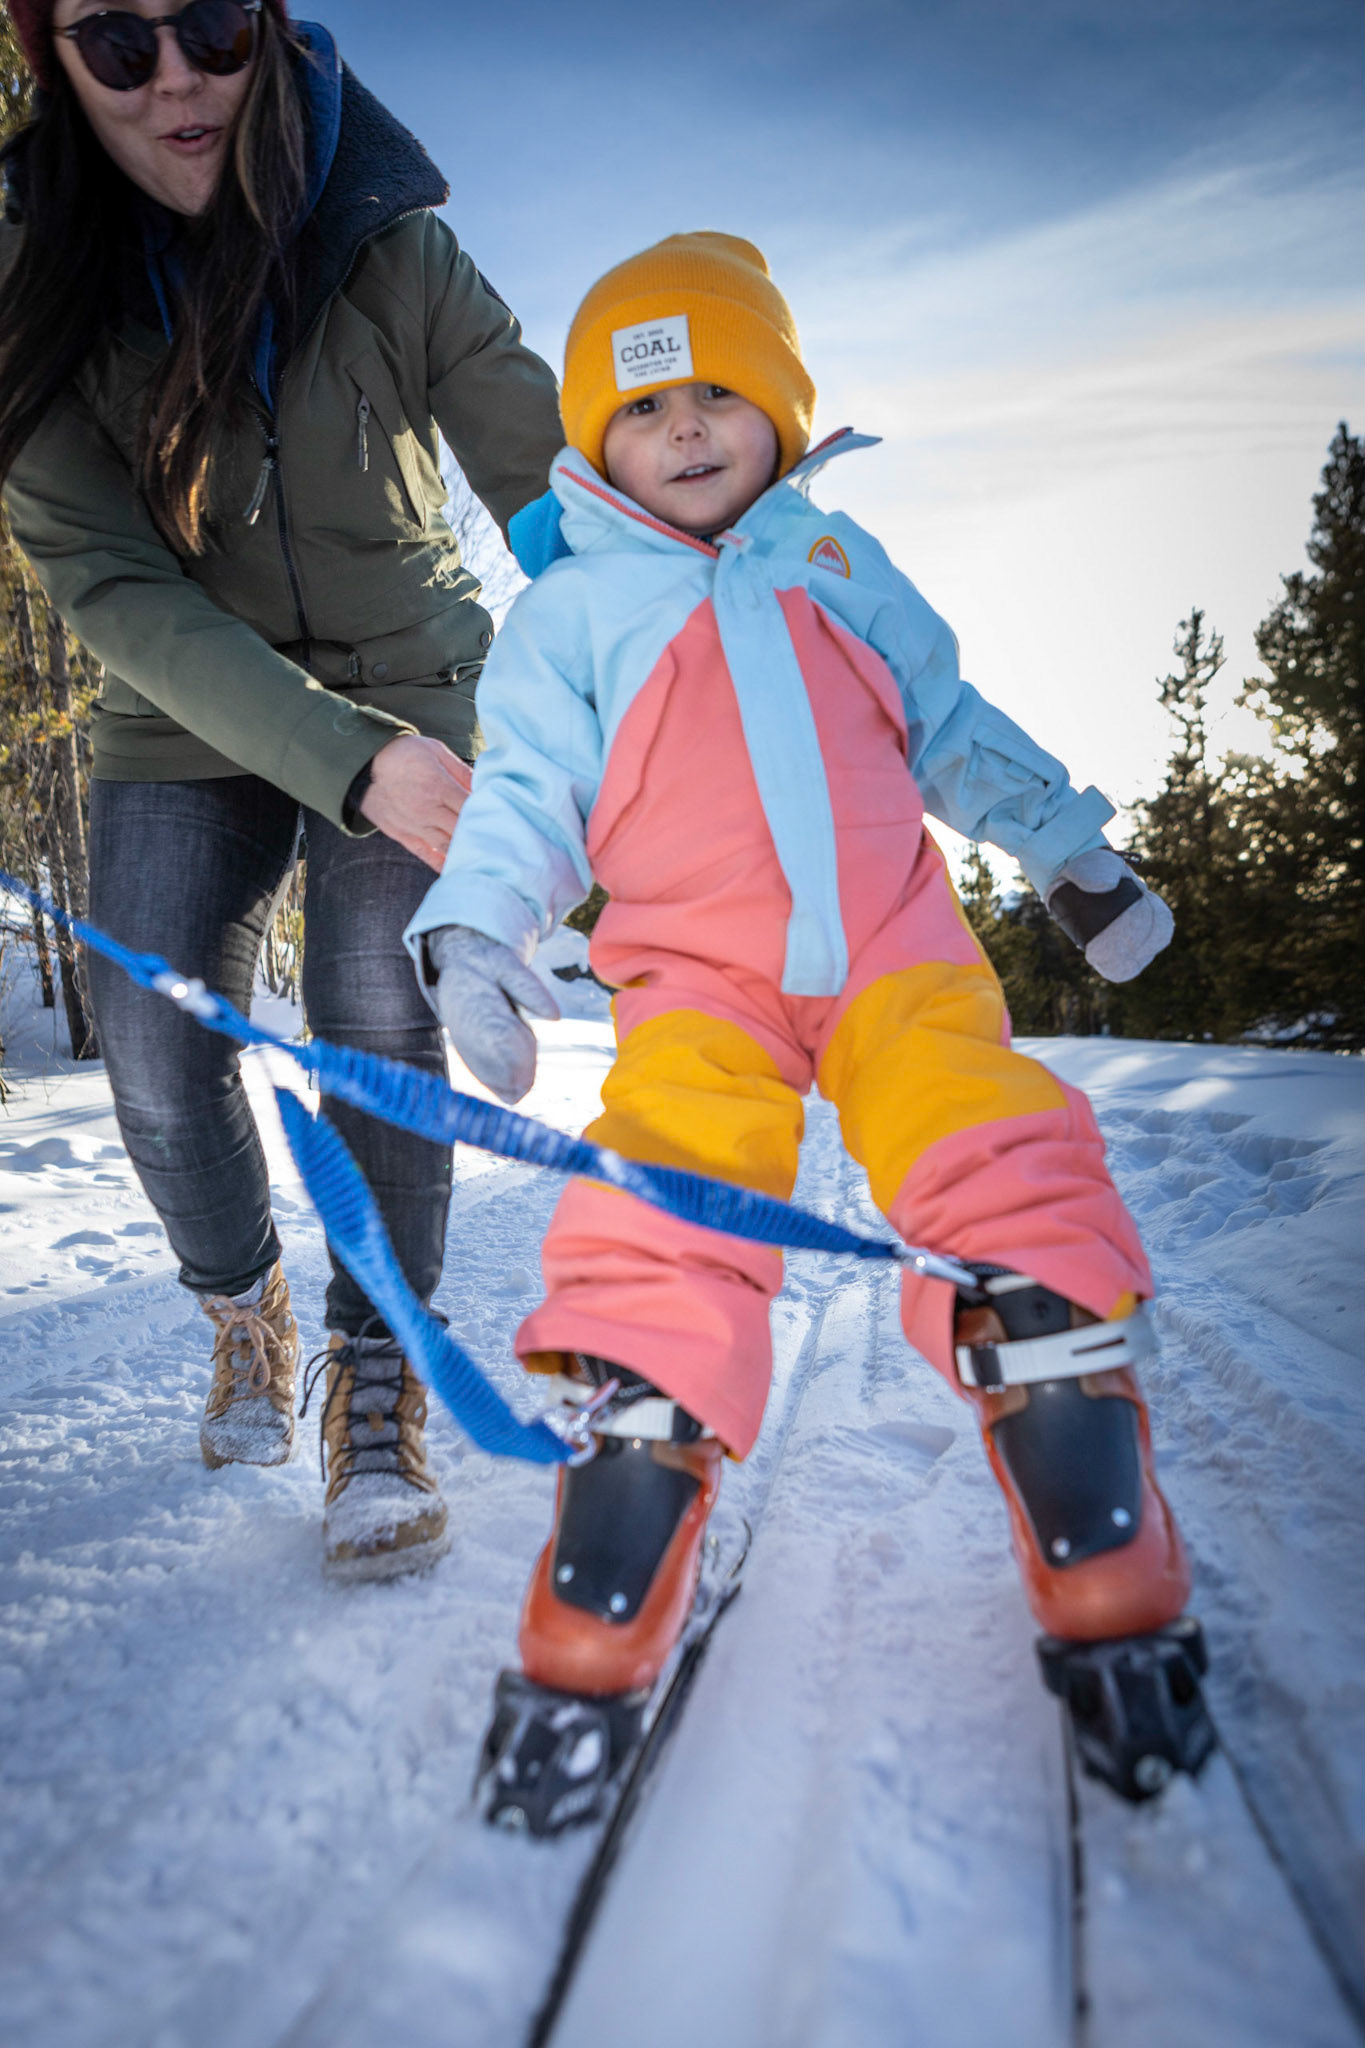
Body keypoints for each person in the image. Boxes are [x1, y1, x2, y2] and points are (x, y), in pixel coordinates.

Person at [407, 232, 1192, 1703]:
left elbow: (948, 723)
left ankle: (1057, 1380)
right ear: (595, 442)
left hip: (896, 944)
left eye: (715, 389)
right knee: (671, 1169)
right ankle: (643, 1432)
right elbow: (525, 794)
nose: (683, 428)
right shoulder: (570, 611)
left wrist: (1067, 851)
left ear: (779, 404)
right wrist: (476, 924)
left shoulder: (838, 565)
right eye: (642, 407)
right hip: (696, 977)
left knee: (976, 1120)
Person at [0, 0, 563, 1580]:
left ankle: (376, 1375)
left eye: (210, 28)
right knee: (152, 1035)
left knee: (378, 1000)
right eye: (120, 45)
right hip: (187, 705)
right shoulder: (32, 284)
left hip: (414, 686)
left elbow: (546, 480)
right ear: (53, 60)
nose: (178, 78)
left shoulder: (390, 233)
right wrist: (340, 759)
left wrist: (678, 612)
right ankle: (241, 1304)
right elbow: (113, 588)